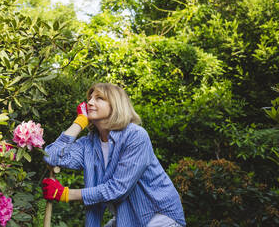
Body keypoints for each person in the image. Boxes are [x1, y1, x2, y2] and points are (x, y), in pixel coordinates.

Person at [42, 83, 186, 227]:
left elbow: (118, 189)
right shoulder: (89, 144)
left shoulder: (135, 136)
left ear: (116, 105)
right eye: (90, 98)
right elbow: (51, 156)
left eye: (99, 98)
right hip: (128, 218)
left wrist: (65, 194)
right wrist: (80, 122)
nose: (90, 102)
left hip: (160, 215)